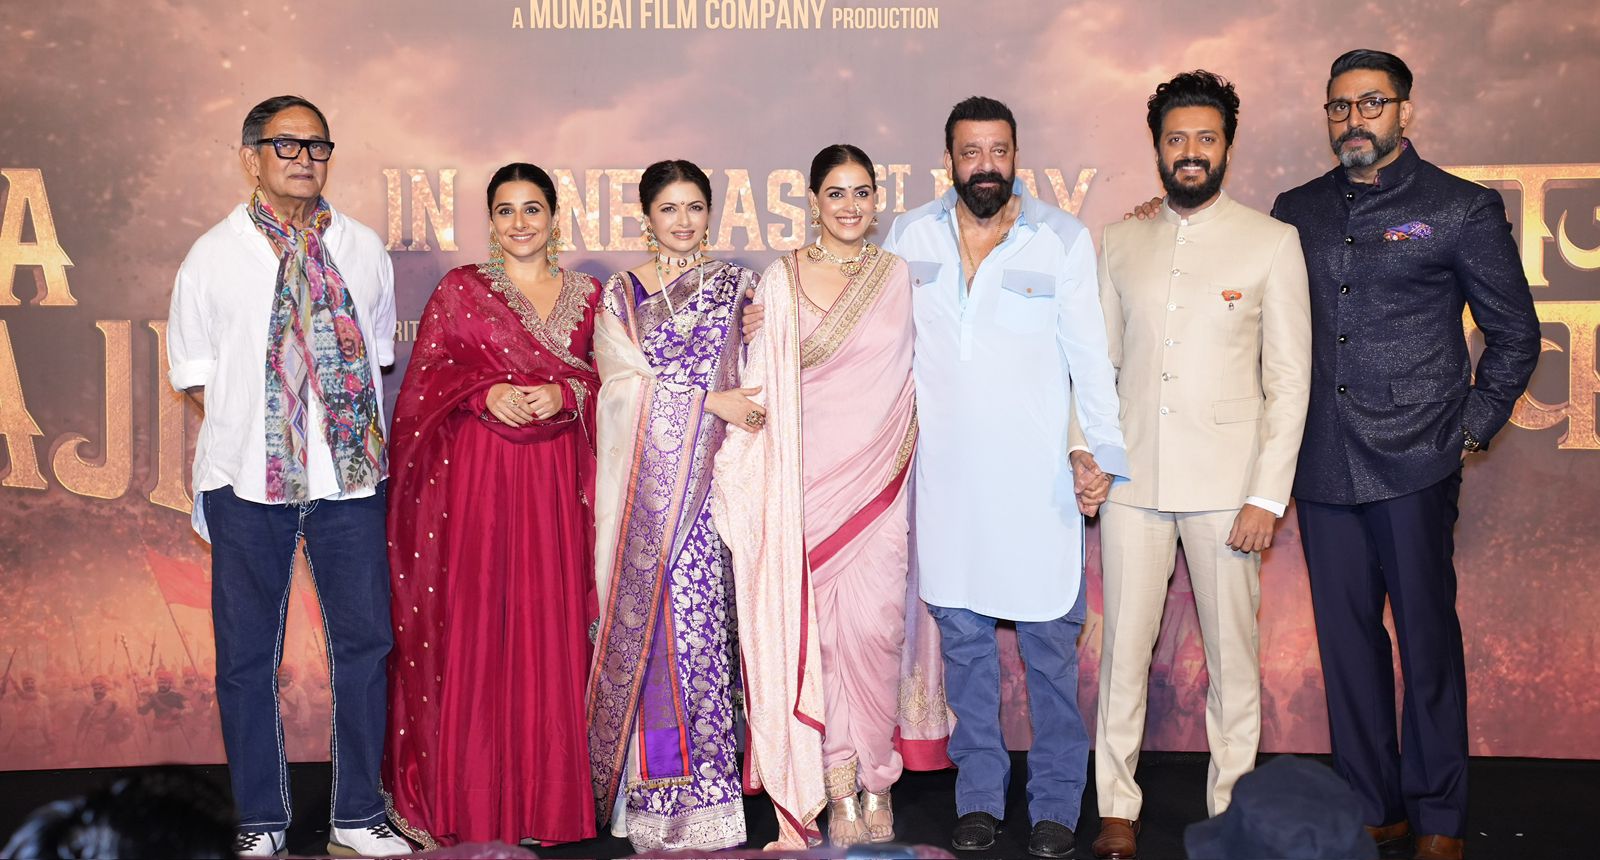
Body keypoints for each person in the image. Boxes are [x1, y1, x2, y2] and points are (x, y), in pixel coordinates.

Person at [1269, 50, 1541, 860]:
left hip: (1418, 459)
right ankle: (1373, 805)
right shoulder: (1295, 210)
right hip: (1322, 460)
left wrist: (1468, 430)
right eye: (1339, 106)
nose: (1354, 119)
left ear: (1404, 111)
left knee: (1427, 641)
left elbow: (1516, 336)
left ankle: (1438, 814)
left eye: (1371, 103)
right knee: (1347, 645)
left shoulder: (1459, 207)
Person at [1075, 71, 1311, 860]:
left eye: (1206, 138)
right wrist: (1087, 452)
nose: (1191, 151)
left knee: (1233, 659)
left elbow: (1290, 382)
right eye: (1176, 138)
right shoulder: (1122, 240)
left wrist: (1266, 497)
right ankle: (1116, 808)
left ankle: (1231, 808)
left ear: (1227, 148)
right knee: (1123, 655)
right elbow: (1098, 365)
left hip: (1229, 491)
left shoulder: (1271, 242)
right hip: (1133, 484)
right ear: (1156, 148)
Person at [165, 94, 408, 859]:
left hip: (348, 482)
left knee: (366, 645)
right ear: (252, 158)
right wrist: (269, 441)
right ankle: (261, 820)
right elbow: (197, 377)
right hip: (247, 484)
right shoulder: (213, 255)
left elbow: (375, 356)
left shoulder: (362, 248)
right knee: (246, 658)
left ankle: (357, 814)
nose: (304, 158)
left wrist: (322, 443)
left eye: (317, 145)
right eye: (286, 145)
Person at [888, 96, 1128, 859]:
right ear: (949, 159)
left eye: (998, 150)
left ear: (1016, 155)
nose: (985, 165)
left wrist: (1099, 455)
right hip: (949, 492)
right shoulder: (909, 237)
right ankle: (980, 799)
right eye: (970, 152)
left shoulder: (1061, 239)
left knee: (1050, 660)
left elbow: (1091, 360)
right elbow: (868, 337)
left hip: (1038, 494)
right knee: (966, 659)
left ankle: (1056, 803)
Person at [715, 144, 941, 849]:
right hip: (808, 487)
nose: (849, 206)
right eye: (835, 193)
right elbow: (758, 379)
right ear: (813, 202)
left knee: (876, 633)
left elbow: (935, 363)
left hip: (880, 485)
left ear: (877, 202)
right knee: (825, 645)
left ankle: (879, 775)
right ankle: (841, 785)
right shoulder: (779, 281)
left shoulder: (898, 276)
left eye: (861, 192)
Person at [384, 162, 602, 848]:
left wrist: (568, 394)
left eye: (532, 208)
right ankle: (476, 805)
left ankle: (545, 806)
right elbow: (425, 385)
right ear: (491, 221)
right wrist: (483, 393)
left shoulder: (591, 296)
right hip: (480, 479)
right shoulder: (461, 291)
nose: (520, 223)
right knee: (481, 624)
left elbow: (620, 382)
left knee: (546, 623)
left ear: (554, 217)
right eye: (505, 211)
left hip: (553, 481)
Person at [586, 159, 761, 853]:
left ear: (709, 213)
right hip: (644, 503)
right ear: (647, 217)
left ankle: (711, 803)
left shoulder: (738, 288)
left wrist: (761, 342)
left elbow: (760, 378)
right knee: (656, 643)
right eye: (669, 208)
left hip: (713, 496)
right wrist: (707, 402)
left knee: (703, 643)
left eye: (694, 207)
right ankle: (652, 803)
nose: (683, 221)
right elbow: (618, 392)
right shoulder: (620, 296)